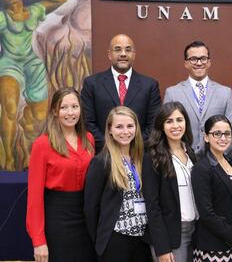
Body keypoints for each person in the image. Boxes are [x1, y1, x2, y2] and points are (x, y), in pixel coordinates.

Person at [0, 0, 67, 170]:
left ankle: (31, 155)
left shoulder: (33, 11)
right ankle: (9, 158)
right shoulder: (3, 17)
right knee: (10, 108)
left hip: (31, 63)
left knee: (39, 115)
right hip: (9, 64)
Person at [26, 87, 95, 262]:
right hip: (57, 221)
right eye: (64, 107)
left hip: (86, 220)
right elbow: (34, 196)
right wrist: (38, 240)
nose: (70, 112)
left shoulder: (89, 139)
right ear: (55, 112)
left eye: (74, 106)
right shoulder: (42, 145)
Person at [84, 106, 152, 261]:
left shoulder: (143, 160)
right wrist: (101, 240)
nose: (125, 131)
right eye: (119, 127)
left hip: (142, 240)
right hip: (115, 240)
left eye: (130, 126)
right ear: (109, 130)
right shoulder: (102, 162)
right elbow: (91, 207)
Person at [81, 34, 161, 153]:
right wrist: (110, 148)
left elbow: (153, 125)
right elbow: (88, 122)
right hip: (104, 156)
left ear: (134, 54)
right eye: (117, 49)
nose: (123, 54)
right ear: (109, 54)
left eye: (128, 50)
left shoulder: (150, 85)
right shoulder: (92, 84)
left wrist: (133, 148)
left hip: (139, 156)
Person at [142, 102, 198, 262]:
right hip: (170, 234)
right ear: (161, 126)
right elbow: (152, 205)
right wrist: (162, 247)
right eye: (169, 121)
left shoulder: (191, 153)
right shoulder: (152, 157)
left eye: (179, 120)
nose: (176, 125)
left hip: (194, 231)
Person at [191, 115, 232, 261]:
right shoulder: (201, 168)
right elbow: (207, 214)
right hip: (214, 248)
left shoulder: (231, 162)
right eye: (217, 134)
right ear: (206, 137)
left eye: (227, 134)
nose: (223, 138)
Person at [164, 41, 232, 155]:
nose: (198, 63)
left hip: (215, 163)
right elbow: (166, 130)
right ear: (186, 63)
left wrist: (217, 158)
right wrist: (180, 157)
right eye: (193, 59)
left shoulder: (225, 93)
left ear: (209, 62)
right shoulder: (172, 93)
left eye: (203, 58)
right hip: (182, 160)